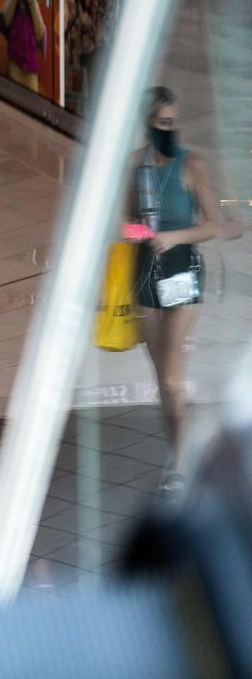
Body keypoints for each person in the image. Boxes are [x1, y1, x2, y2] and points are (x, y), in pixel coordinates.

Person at [125, 88, 220, 496]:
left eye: (174, 122)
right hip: (146, 274)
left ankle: (181, 464)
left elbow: (213, 224)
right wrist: (144, 234)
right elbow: (121, 224)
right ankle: (179, 446)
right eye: (163, 123)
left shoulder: (192, 164)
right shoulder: (135, 167)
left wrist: (173, 236)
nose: (170, 130)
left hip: (183, 273)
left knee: (171, 378)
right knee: (162, 381)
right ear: (147, 125)